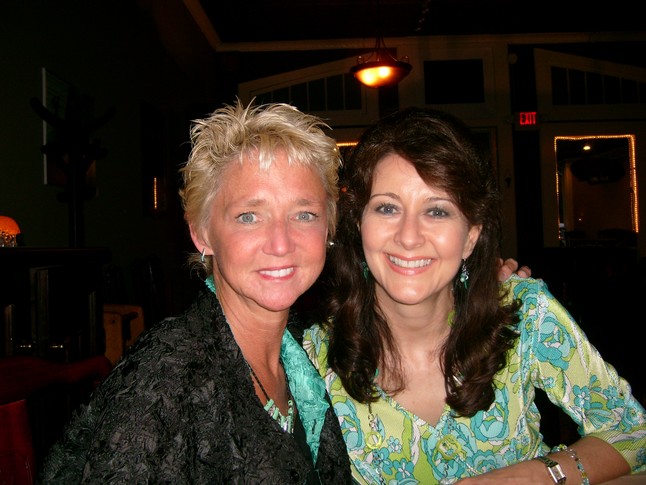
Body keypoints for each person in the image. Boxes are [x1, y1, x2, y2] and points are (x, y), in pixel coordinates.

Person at [303, 107, 646, 484]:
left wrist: (531, 477)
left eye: (437, 211)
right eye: (387, 208)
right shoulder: (312, 356)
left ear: (470, 236)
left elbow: (632, 431)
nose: (409, 236)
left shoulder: (522, 313)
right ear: (358, 224)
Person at [39, 100, 353, 483]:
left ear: (328, 227)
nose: (281, 242)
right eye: (249, 216)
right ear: (202, 232)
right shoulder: (163, 383)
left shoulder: (300, 355)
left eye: (304, 214)